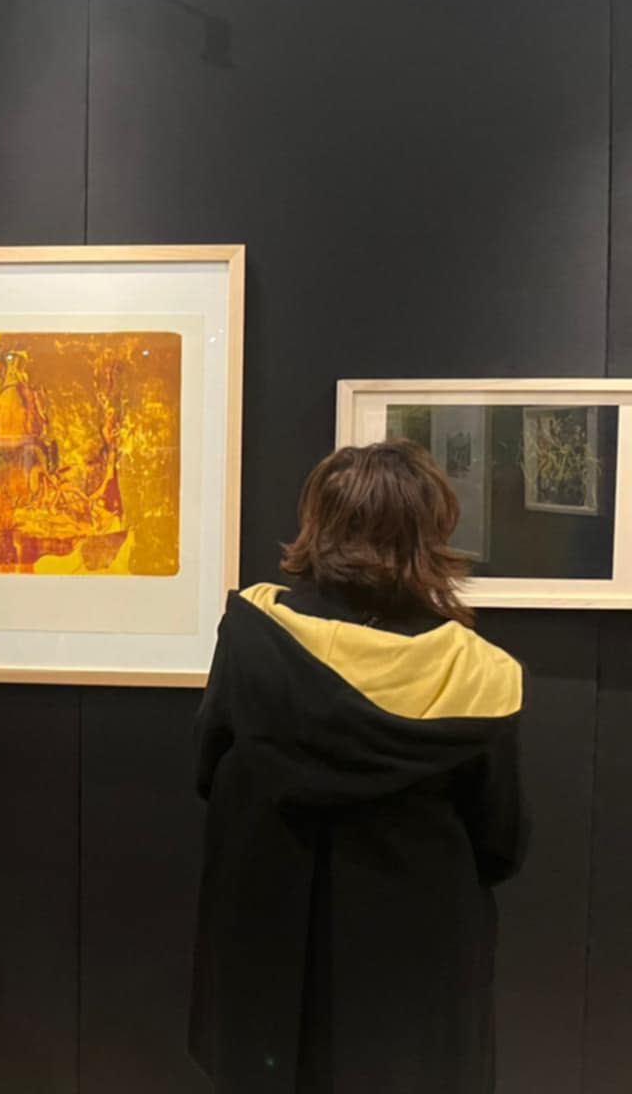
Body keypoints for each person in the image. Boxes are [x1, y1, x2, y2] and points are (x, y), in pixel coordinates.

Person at [190, 440, 528, 1093]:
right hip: (415, 943)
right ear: (430, 531)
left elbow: (210, 765)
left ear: (317, 521)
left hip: (268, 921)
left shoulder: (254, 634)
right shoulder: (474, 672)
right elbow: (500, 840)